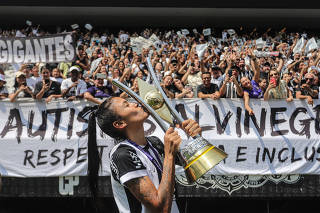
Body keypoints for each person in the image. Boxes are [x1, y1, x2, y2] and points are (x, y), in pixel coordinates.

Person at [87, 97, 201, 213]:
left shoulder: (154, 142)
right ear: (120, 123)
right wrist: (169, 155)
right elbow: (160, 209)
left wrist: (195, 138)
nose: (135, 104)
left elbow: (195, 170)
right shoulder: (122, 155)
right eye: (126, 105)